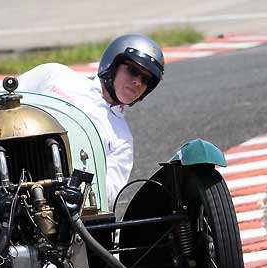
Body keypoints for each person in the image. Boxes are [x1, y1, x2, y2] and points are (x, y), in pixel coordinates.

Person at [16, 33, 165, 207]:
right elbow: (3, 97)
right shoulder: (56, 75)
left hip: (57, 204)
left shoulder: (122, 139)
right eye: (133, 71)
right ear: (112, 65)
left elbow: (108, 195)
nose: (137, 82)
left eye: (145, 79)